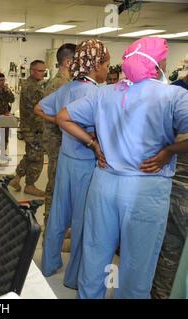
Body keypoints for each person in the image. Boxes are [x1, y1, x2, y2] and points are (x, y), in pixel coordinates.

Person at [55, 37, 188, 298]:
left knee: (95, 253)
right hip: (145, 186)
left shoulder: (105, 93)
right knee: (137, 262)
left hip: (104, 185)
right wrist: (169, 151)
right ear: (159, 63)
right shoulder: (173, 96)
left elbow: (63, 117)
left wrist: (94, 143)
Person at [35, 39, 110, 289]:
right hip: (84, 163)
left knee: (57, 214)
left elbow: (41, 109)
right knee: (81, 221)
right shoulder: (95, 93)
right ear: (95, 64)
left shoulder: (67, 88)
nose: (108, 70)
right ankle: (72, 276)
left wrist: (64, 126)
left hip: (66, 159)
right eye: (106, 64)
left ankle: (49, 264)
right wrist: (90, 140)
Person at [151, 59, 188, 298]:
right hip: (177, 184)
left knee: (170, 248)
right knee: (171, 247)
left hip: (172, 182)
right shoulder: (173, 94)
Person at [40, 43, 76, 251]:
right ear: (69, 62)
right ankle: (50, 240)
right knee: (54, 192)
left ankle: (57, 234)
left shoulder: (64, 83)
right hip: (58, 144)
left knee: (60, 191)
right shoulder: (62, 85)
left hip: (60, 144)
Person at [8, 60, 47, 197]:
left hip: (30, 127)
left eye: (44, 71)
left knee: (30, 155)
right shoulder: (33, 87)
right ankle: (30, 185)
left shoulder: (31, 85)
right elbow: (42, 108)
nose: (43, 73)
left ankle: (17, 178)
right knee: (37, 158)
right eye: (40, 70)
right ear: (32, 71)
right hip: (34, 128)